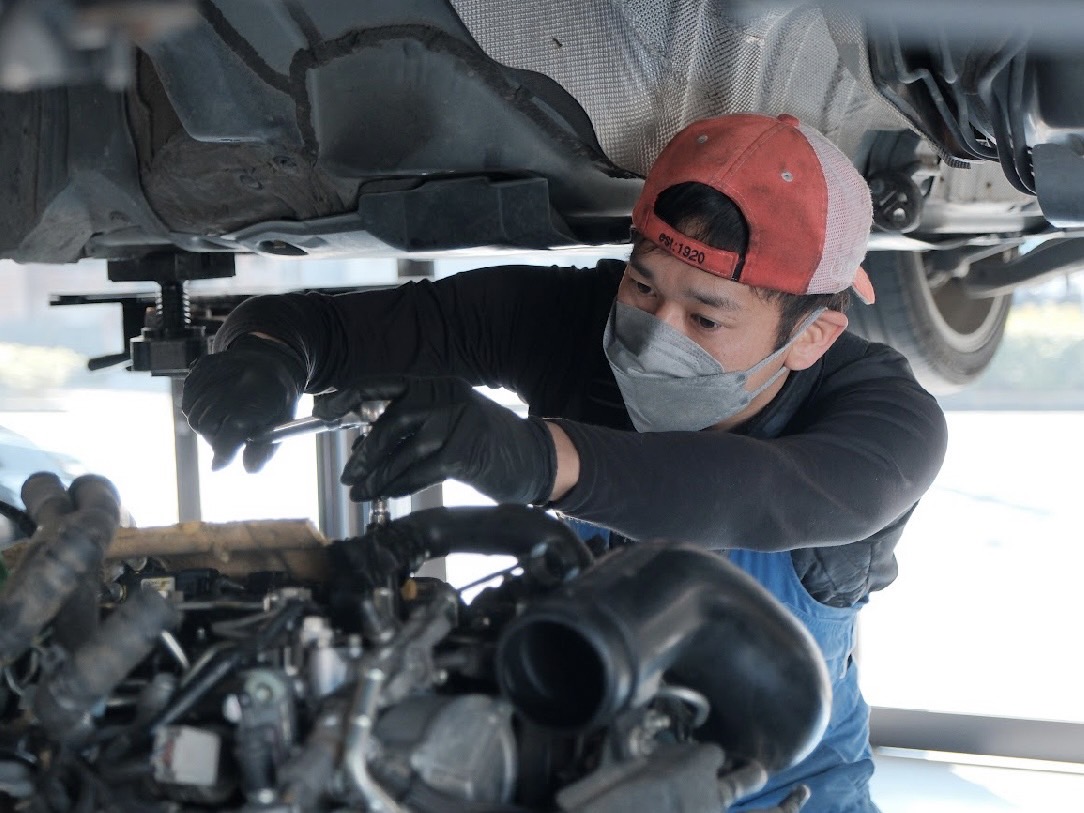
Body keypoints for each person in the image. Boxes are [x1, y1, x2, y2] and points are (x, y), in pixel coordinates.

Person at [182, 112, 947, 812]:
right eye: (642, 283)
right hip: (569, 760)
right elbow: (321, 327)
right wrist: (264, 356)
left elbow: (758, 495)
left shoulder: (885, 419)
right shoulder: (573, 323)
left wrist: (536, 455)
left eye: (706, 315)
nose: (654, 332)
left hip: (786, 790)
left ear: (812, 335)